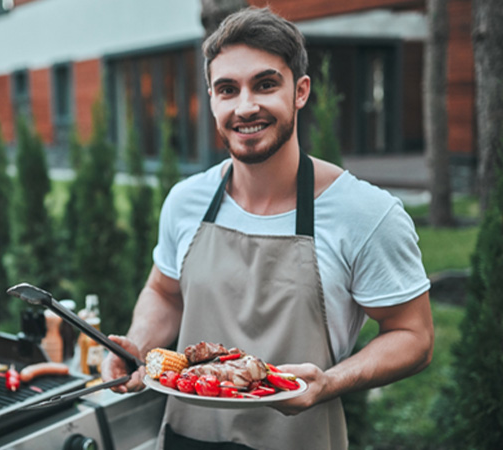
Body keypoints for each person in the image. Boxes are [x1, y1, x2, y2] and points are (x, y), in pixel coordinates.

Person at [101, 6, 434, 450]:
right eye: (227, 89)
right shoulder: (186, 201)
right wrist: (137, 345)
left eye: (265, 84)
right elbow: (165, 292)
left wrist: (330, 382)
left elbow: (414, 336)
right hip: (185, 438)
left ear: (300, 91)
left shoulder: (366, 213)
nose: (245, 107)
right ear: (212, 98)